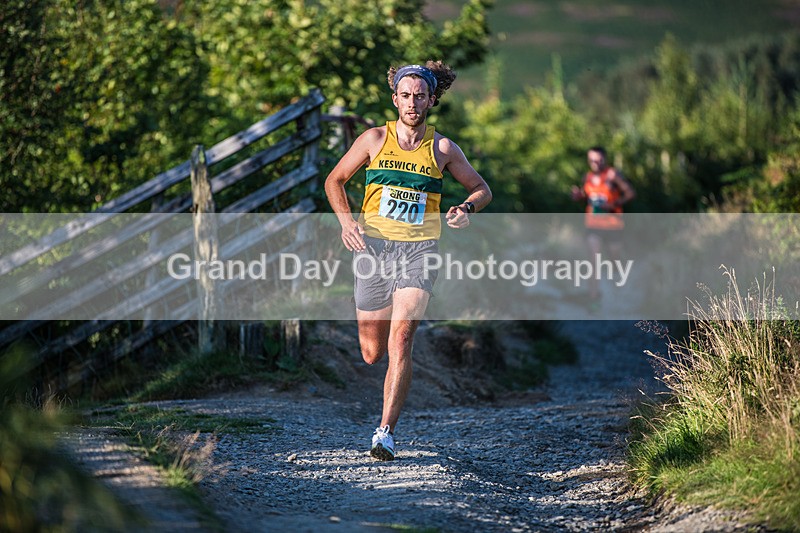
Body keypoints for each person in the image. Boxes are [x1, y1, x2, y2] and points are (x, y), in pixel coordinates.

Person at [324, 61, 492, 461]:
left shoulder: (443, 149)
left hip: (419, 252)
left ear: (432, 99)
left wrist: (466, 207)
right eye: (405, 95)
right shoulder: (373, 139)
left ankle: (385, 432)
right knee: (372, 352)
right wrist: (348, 223)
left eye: (420, 96)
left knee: (402, 341)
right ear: (395, 98)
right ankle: (371, 326)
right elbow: (335, 180)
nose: (412, 102)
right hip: (374, 249)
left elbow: (482, 188)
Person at [571, 146, 635, 305]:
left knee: (614, 259)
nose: (595, 163)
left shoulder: (613, 175)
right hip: (593, 224)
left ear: (604, 158)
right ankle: (594, 299)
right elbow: (587, 195)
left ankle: (619, 285)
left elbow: (630, 194)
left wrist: (613, 204)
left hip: (613, 224)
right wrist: (578, 195)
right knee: (593, 261)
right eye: (592, 160)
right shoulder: (588, 177)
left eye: (598, 159)